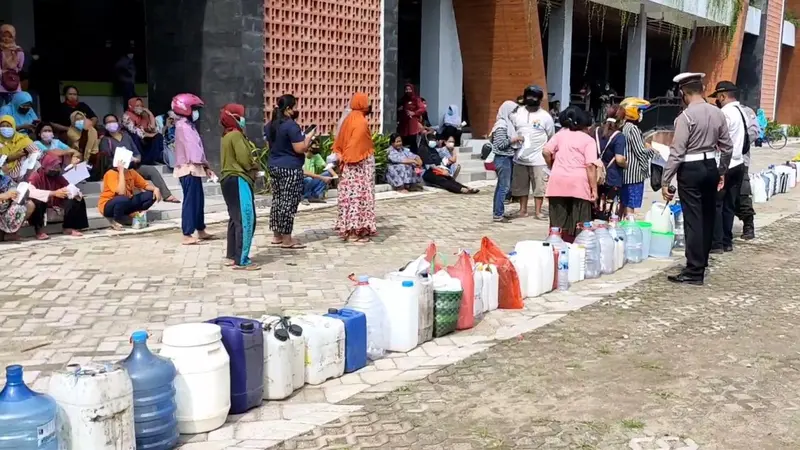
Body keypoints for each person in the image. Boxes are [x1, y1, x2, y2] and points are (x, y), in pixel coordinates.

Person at [662, 73, 733, 286]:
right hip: (710, 165)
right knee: (708, 216)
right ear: (702, 90)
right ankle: (701, 263)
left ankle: (694, 270)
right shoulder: (717, 113)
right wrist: (721, 170)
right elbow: (727, 146)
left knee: (693, 219)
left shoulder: (685, 117)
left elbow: (677, 151)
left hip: (690, 169)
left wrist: (666, 180)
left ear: (684, 93)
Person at [543, 106, 598, 243]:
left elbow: (545, 151)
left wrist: (552, 165)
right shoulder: (588, 140)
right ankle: (578, 248)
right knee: (580, 222)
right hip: (579, 184)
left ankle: (556, 248)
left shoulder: (560, 135)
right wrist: (594, 189)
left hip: (558, 181)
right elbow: (590, 165)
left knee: (557, 222)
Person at [265, 94, 314, 248]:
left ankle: (277, 235)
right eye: (294, 107)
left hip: (274, 165)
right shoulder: (291, 126)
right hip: (290, 168)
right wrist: (308, 138)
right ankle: (287, 239)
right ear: (288, 109)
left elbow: (269, 146)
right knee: (289, 203)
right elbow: (300, 148)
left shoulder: (270, 125)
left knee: (278, 200)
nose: (296, 110)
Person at [100, 114, 178, 202]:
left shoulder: (126, 136)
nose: (112, 124)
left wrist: (136, 159)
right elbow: (106, 160)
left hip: (133, 166)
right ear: (105, 125)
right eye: (109, 122)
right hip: (118, 170)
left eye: (113, 121)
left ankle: (167, 195)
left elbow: (137, 152)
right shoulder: (105, 140)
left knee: (151, 170)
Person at [709, 81, 749, 253]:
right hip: (739, 163)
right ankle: (727, 240)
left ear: (722, 96)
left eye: (718, 97)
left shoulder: (724, 114)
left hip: (725, 164)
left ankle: (716, 243)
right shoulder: (742, 112)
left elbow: (716, 139)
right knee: (729, 205)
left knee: (717, 204)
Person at [333, 92, 377, 242]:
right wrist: (350, 158)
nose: (370, 105)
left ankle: (354, 228)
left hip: (349, 167)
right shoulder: (361, 122)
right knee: (359, 197)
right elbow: (355, 145)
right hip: (358, 167)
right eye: (368, 102)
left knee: (350, 198)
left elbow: (340, 142)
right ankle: (355, 231)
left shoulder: (349, 119)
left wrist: (343, 159)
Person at [171, 94, 215, 245]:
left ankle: (200, 229)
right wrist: (206, 165)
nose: (196, 113)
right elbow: (194, 150)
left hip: (194, 168)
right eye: (194, 109)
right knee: (191, 201)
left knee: (198, 200)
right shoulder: (183, 127)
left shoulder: (187, 125)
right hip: (188, 168)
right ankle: (187, 233)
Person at [220, 103, 259, 269]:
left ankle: (232, 255)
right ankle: (242, 260)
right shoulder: (236, 136)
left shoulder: (226, 136)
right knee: (246, 219)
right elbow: (244, 158)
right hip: (239, 179)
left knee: (235, 219)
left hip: (228, 180)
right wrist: (253, 166)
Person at [511, 85, 555, 219]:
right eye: (529, 96)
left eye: (535, 97)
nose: (532, 99)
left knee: (539, 187)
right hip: (520, 157)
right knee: (521, 186)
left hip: (539, 159)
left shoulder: (545, 117)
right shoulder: (517, 113)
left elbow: (551, 136)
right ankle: (522, 210)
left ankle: (538, 211)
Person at [28, 153, 89, 236]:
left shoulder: (58, 176)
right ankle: (39, 230)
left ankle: (69, 227)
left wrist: (71, 192)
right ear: (45, 166)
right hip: (43, 202)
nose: (56, 170)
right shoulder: (36, 176)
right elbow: (31, 192)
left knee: (77, 199)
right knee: (38, 201)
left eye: (57, 167)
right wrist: (53, 193)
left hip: (57, 202)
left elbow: (69, 186)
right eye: (53, 167)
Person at [98, 160, 161, 230]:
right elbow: (121, 192)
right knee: (122, 199)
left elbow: (144, 185)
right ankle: (118, 220)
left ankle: (133, 215)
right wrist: (121, 172)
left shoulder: (131, 172)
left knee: (150, 195)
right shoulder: (111, 174)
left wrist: (155, 189)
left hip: (126, 201)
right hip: (109, 205)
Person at [592, 105, 627, 220]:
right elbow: (619, 159)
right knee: (608, 211)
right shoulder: (619, 136)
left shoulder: (595, 131)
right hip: (612, 176)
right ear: (621, 120)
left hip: (595, 175)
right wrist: (626, 164)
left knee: (594, 209)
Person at [490, 100, 522, 223]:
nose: (514, 114)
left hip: (506, 158)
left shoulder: (508, 124)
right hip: (502, 158)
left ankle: (498, 212)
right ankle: (498, 214)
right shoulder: (502, 125)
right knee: (504, 187)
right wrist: (514, 139)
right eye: (513, 111)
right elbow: (500, 144)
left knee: (501, 187)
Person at [619, 97, 652, 215]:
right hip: (634, 174)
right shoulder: (633, 129)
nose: (640, 114)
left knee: (624, 202)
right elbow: (640, 151)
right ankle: (629, 228)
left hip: (625, 173)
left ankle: (620, 226)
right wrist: (652, 151)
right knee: (631, 204)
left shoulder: (624, 127)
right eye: (639, 111)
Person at [735, 102, 759, 240]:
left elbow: (754, 132)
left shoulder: (746, 111)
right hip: (719, 161)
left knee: (743, 193)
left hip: (740, 160)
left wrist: (736, 141)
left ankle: (748, 225)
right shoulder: (718, 111)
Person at [0, 171, 41, 240]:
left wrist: (15, 193)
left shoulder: (5, 179)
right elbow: (5, 195)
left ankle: (11, 233)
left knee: (29, 205)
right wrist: (3, 196)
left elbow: (14, 189)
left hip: (6, 210)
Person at [122, 97, 163, 165]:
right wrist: (149, 135)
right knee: (135, 137)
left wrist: (149, 113)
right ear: (130, 106)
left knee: (158, 137)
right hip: (134, 138)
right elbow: (133, 131)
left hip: (144, 137)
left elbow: (153, 128)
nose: (140, 108)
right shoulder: (126, 116)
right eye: (137, 106)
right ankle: (141, 159)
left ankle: (151, 159)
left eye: (141, 106)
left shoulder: (143, 115)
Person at [0, 115, 38, 181]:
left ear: (13, 126)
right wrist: (10, 157)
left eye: (8, 126)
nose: (5, 128)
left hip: (22, 171)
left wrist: (25, 154)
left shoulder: (22, 138)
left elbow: (36, 151)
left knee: (35, 162)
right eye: (2, 126)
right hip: (3, 174)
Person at [66, 111, 101, 175]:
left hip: (91, 157)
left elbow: (95, 146)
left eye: (82, 119)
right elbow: (81, 146)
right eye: (77, 119)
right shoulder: (71, 132)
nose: (80, 121)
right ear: (73, 121)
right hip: (76, 157)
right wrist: (85, 131)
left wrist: (92, 157)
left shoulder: (92, 130)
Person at [302, 139, 333, 204]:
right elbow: (304, 172)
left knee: (327, 174)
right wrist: (321, 177)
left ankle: (314, 196)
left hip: (312, 179)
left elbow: (326, 166)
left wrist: (335, 175)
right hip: (302, 181)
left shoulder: (316, 155)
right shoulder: (300, 156)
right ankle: (305, 197)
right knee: (308, 179)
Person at [398, 83, 426, 154]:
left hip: (412, 124)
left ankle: (415, 157)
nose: (408, 91)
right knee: (403, 141)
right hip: (403, 124)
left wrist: (414, 113)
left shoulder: (416, 99)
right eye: (406, 89)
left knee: (413, 141)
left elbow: (422, 109)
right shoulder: (403, 99)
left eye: (409, 89)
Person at [0, 25, 24, 105]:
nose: (6, 39)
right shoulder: (1, 50)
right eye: (4, 36)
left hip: (13, 86)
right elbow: (19, 68)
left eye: (10, 37)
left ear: (14, 37)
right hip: (3, 84)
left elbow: (20, 67)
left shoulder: (19, 51)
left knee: (12, 110)